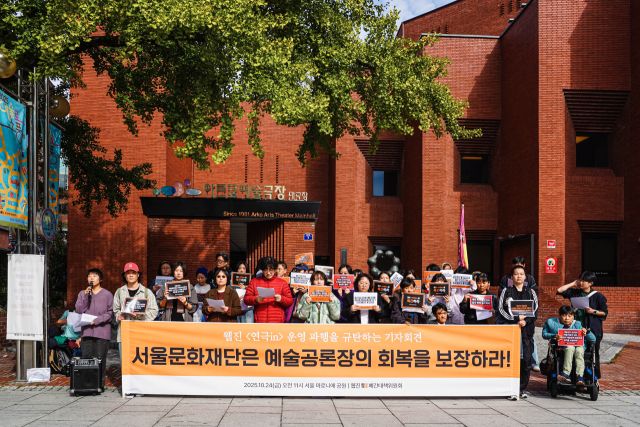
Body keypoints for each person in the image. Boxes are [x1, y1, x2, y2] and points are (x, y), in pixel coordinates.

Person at [556, 271, 608, 380]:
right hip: (575, 329)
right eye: (580, 279)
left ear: (591, 283)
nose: (581, 282)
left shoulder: (598, 296)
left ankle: (592, 376)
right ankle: (573, 375)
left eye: (584, 280)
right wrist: (573, 283)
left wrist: (593, 311)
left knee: (592, 353)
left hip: (592, 329)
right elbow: (559, 290)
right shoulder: (575, 292)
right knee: (573, 350)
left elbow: (604, 313)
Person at [498, 265, 538, 400]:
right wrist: (516, 319)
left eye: (521, 274)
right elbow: (501, 310)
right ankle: (509, 389)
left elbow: (535, 310)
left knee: (526, 360)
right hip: (511, 331)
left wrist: (525, 321)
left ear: (525, 277)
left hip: (527, 331)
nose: (519, 276)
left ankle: (522, 389)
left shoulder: (531, 292)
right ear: (512, 277)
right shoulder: (506, 291)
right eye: (516, 274)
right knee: (510, 360)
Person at [74, 268, 113, 384]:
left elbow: (110, 313)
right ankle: (87, 384)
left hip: (102, 332)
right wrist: (86, 296)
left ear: (100, 279)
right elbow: (79, 310)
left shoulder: (107, 294)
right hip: (87, 332)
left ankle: (99, 384)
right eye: (89, 276)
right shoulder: (82, 293)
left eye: (94, 276)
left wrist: (97, 320)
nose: (91, 278)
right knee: (87, 358)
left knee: (100, 359)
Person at [113, 262, 158, 356]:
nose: (131, 275)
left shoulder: (147, 292)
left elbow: (154, 311)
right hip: (124, 334)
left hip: (142, 333)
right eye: (128, 273)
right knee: (125, 362)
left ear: (138, 275)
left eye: (133, 273)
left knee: (141, 361)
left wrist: (140, 316)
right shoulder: (119, 292)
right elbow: (116, 310)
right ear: (124, 275)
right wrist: (119, 316)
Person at [542, 305, 596, 385]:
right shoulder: (551, 322)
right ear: (560, 315)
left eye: (569, 316)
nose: (567, 318)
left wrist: (587, 332)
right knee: (570, 348)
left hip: (578, 346)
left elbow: (593, 339)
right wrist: (554, 336)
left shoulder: (578, 324)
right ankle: (566, 374)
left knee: (579, 350)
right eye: (564, 315)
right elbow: (544, 334)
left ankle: (580, 377)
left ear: (573, 316)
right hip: (562, 347)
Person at [244, 256, 293, 323]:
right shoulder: (254, 282)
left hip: (277, 321)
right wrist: (256, 299)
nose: (268, 273)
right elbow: (246, 299)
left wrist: (281, 299)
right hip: (260, 320)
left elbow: (290, 301)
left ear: (275, 270)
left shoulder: (282, 283)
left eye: (271, 270)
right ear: (262, 270)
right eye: (265, 270)